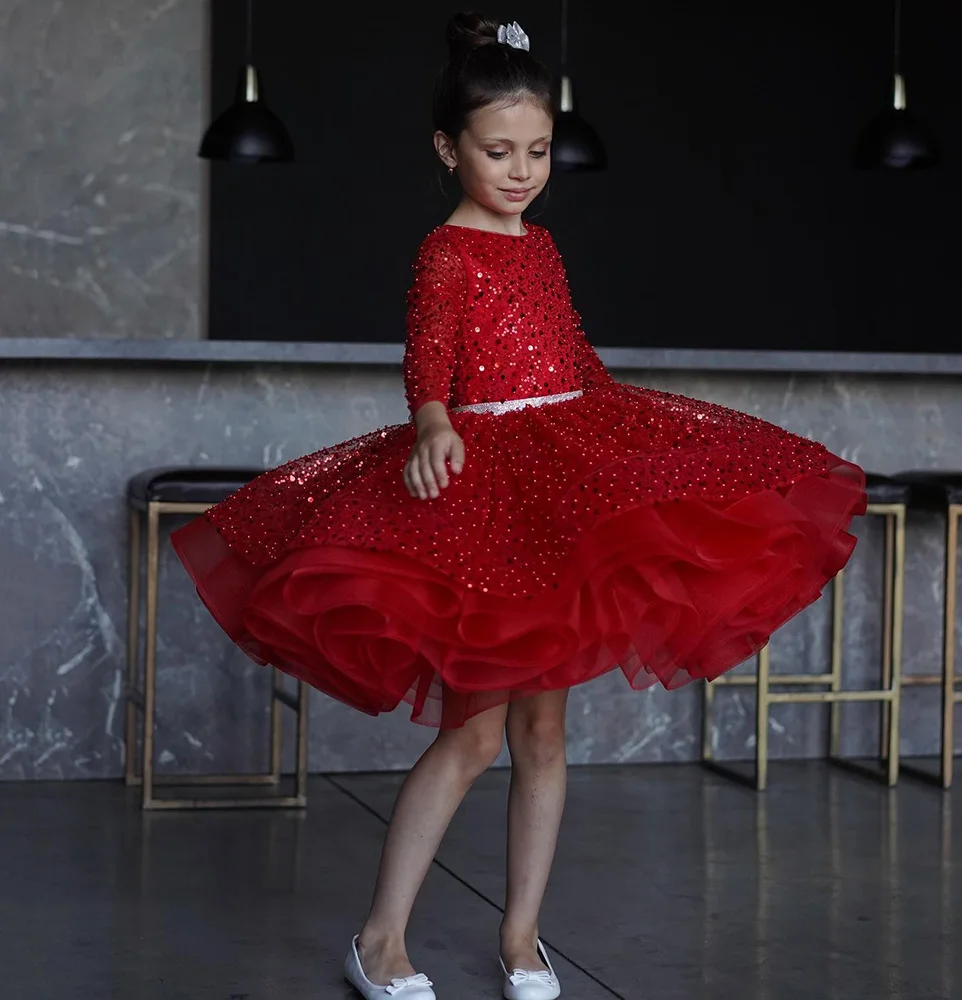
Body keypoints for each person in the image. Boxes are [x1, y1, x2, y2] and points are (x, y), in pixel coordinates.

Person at [172, 11, 866, 1000]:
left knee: (545, 734)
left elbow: (572, 357)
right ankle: (378, 939)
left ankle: (523, 938)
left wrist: (639, 441)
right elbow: (427, 354)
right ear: (447, 148)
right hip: (484, 497)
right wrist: (430, 423)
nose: (521, 169)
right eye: (498, 151)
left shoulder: (539, 247)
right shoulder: (444, 253)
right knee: (474, 733)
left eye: (537, 151)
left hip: (562, 489)